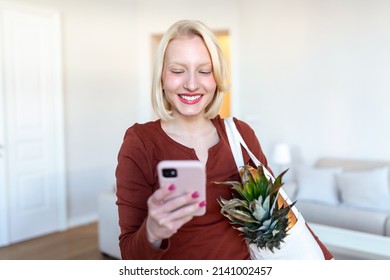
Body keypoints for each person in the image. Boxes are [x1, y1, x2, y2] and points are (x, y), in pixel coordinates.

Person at [115, 19, 333, 260]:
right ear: (161, 78)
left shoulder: (240, 135)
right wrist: (152, 232)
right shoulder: (140, 142)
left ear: (217, 77)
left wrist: (326, 261)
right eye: (177, 71)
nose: (191, 84)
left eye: (204, 71)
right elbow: (129, 254)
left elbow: (284, 212)